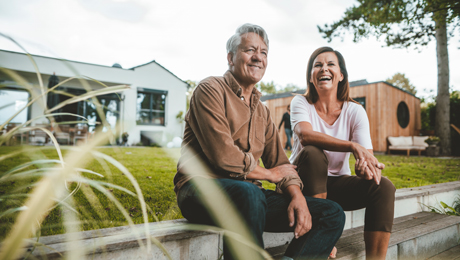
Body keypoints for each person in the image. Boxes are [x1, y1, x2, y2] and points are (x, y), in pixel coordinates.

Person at [174, 25, 345, 260]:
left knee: (332, 213)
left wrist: (297, 196)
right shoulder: (209, 90)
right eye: (250, 50)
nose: (258, 57)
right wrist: (269, 175)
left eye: (264, 52)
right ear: (230, 58)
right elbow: (223, 156)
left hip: (249, 199)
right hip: (200, 189)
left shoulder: (262, 111)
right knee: (249, 193)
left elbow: (282, 164)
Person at [290, 46, 396, 260]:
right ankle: (322, 233)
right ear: (311, 77)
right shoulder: (300, 102)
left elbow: (368, 159)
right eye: (317, 65)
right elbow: (305, 135)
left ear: (341, 75)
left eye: (330, 64)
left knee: (383, 186)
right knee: (313, 153)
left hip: (336, 186)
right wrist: (351, 146)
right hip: (302, 187)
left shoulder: (354, 110)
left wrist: (365, 170)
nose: (323, 69)